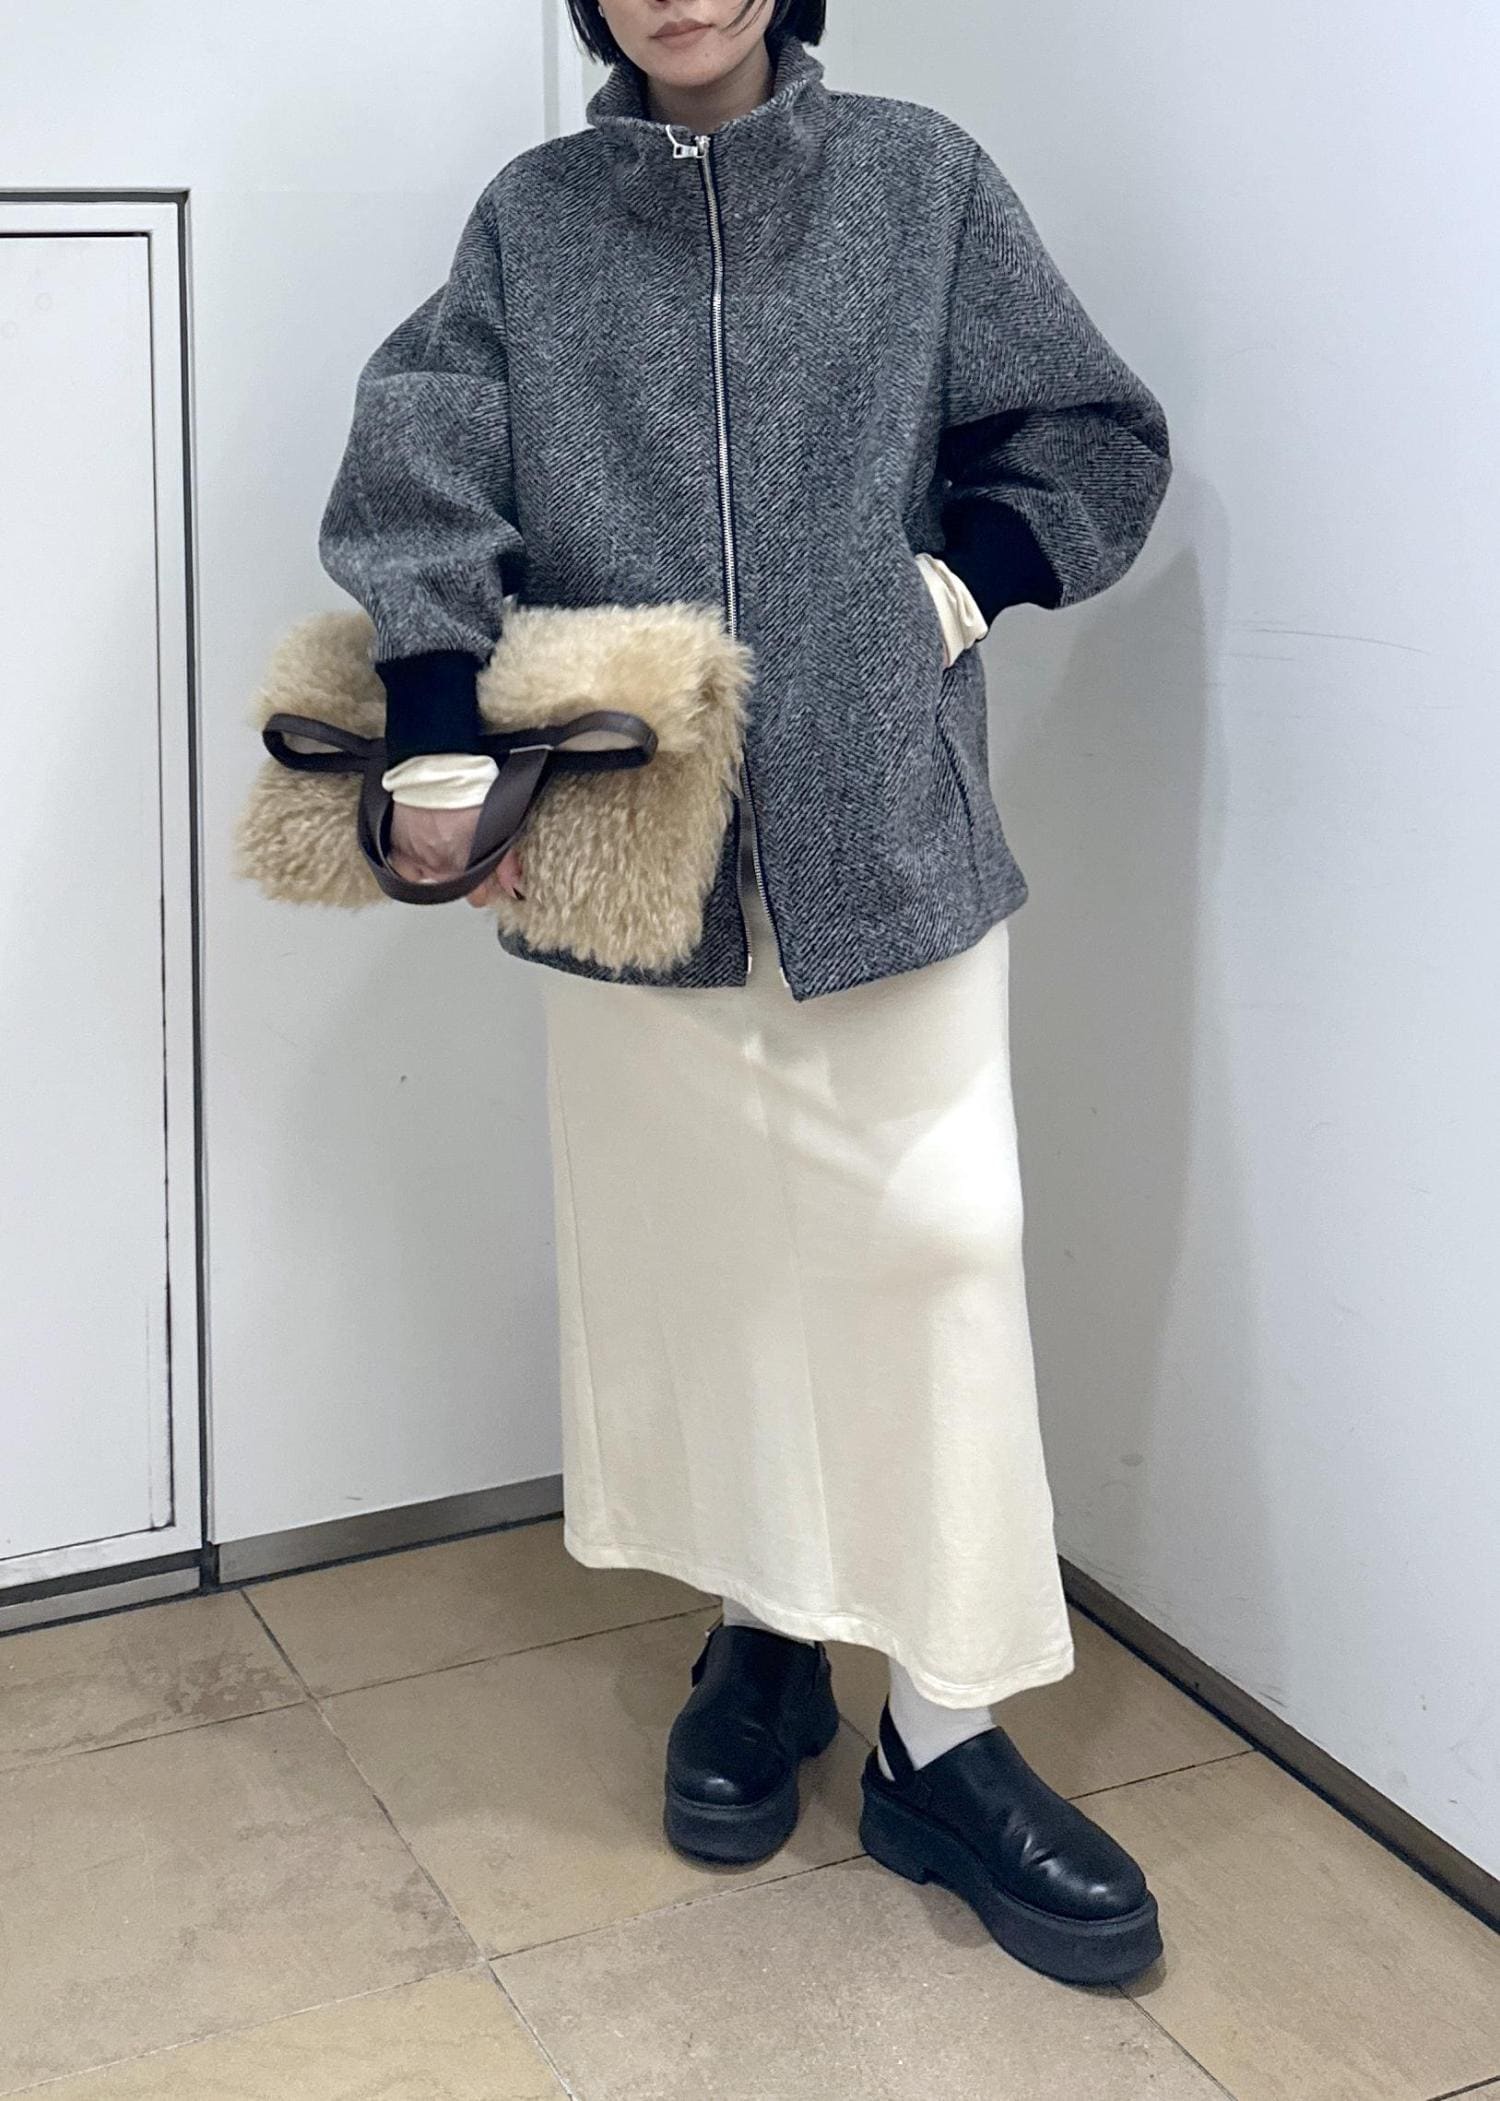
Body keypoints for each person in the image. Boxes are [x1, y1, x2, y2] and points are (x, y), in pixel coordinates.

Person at [318, 0, 1172, 1987]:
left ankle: (943, 1734)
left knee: (943, 1245)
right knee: (701, 1272)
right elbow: (422, 469)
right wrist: (437, 721)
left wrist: (955, 582)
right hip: (635, 850)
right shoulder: (534, 216)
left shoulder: (919, 180)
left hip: (884, 826)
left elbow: (1089, 428)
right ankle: (763, 1632)